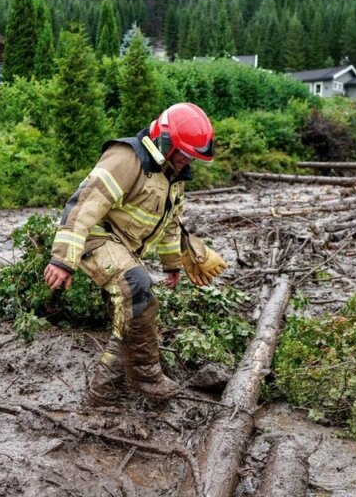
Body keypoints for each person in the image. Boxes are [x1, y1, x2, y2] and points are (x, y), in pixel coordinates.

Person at [43, 102, 227, 405]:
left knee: (135, 309)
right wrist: (63, 259)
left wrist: (172, 264)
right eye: (182, 153)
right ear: (164, 140)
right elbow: (82, 206)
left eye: (191, 157)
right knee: (137, 285)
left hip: (123, 248)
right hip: (95, 238)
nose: (185, 162)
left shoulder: (172, 175)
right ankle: (146, 378)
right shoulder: (126, 159)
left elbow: (170, 222)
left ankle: (104, 392)